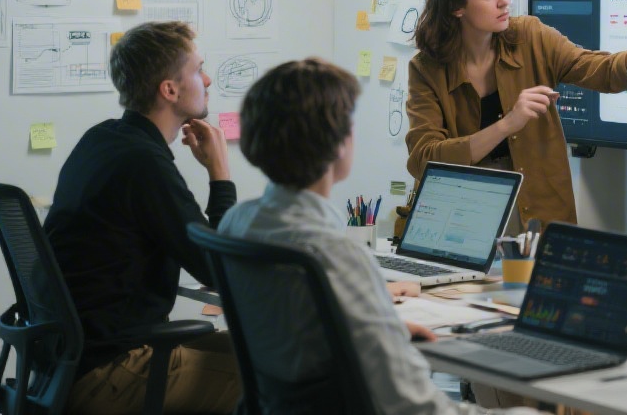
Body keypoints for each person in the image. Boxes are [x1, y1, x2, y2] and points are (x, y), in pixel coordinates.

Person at [219, 58, 543, 415]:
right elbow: (415, 407)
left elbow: (295, 331)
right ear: (340, 143)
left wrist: (379, 328)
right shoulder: (333, 254)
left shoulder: (238, 223)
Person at [406, 0, 627, 228]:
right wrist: (507, 124)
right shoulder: (426, 69)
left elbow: (601, 71)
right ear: (456, 7)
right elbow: (424, 159)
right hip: (460, 221)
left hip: (536, 215)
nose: (504, 1)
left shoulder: (529, 37)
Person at [45, 21, 241, 414]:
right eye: (198, 69)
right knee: (297, 372)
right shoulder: (143, 163)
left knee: (271, 347)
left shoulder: (104, 139)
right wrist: (220, 175)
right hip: (111, 372)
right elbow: (219, 269)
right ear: (169, 89)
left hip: (67, 365)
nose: (208, 79)